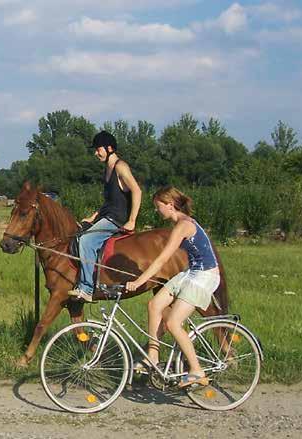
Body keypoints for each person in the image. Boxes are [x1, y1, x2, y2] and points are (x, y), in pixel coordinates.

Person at [125, 186, 220, 388]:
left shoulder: (183, 226)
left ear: (170, 205)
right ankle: (152, 355)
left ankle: (196, 370)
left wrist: (139, 281)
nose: (157, 211)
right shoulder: (180, 223)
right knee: (154, 305)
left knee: (173, 323)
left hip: (204, 276)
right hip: (191, 273)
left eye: (158, 206)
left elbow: (161, 260)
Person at [68, 130, 142, 301]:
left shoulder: (120, 167)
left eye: (97, 149)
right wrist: (93, 217)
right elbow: (109, 201)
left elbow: (137, 191)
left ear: (109, 148)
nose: (96, 153)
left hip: (117, 220)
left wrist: (132, 221)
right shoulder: (107, 169)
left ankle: (86, 288)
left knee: (86, 241)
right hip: (107, 216)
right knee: (79, 233)